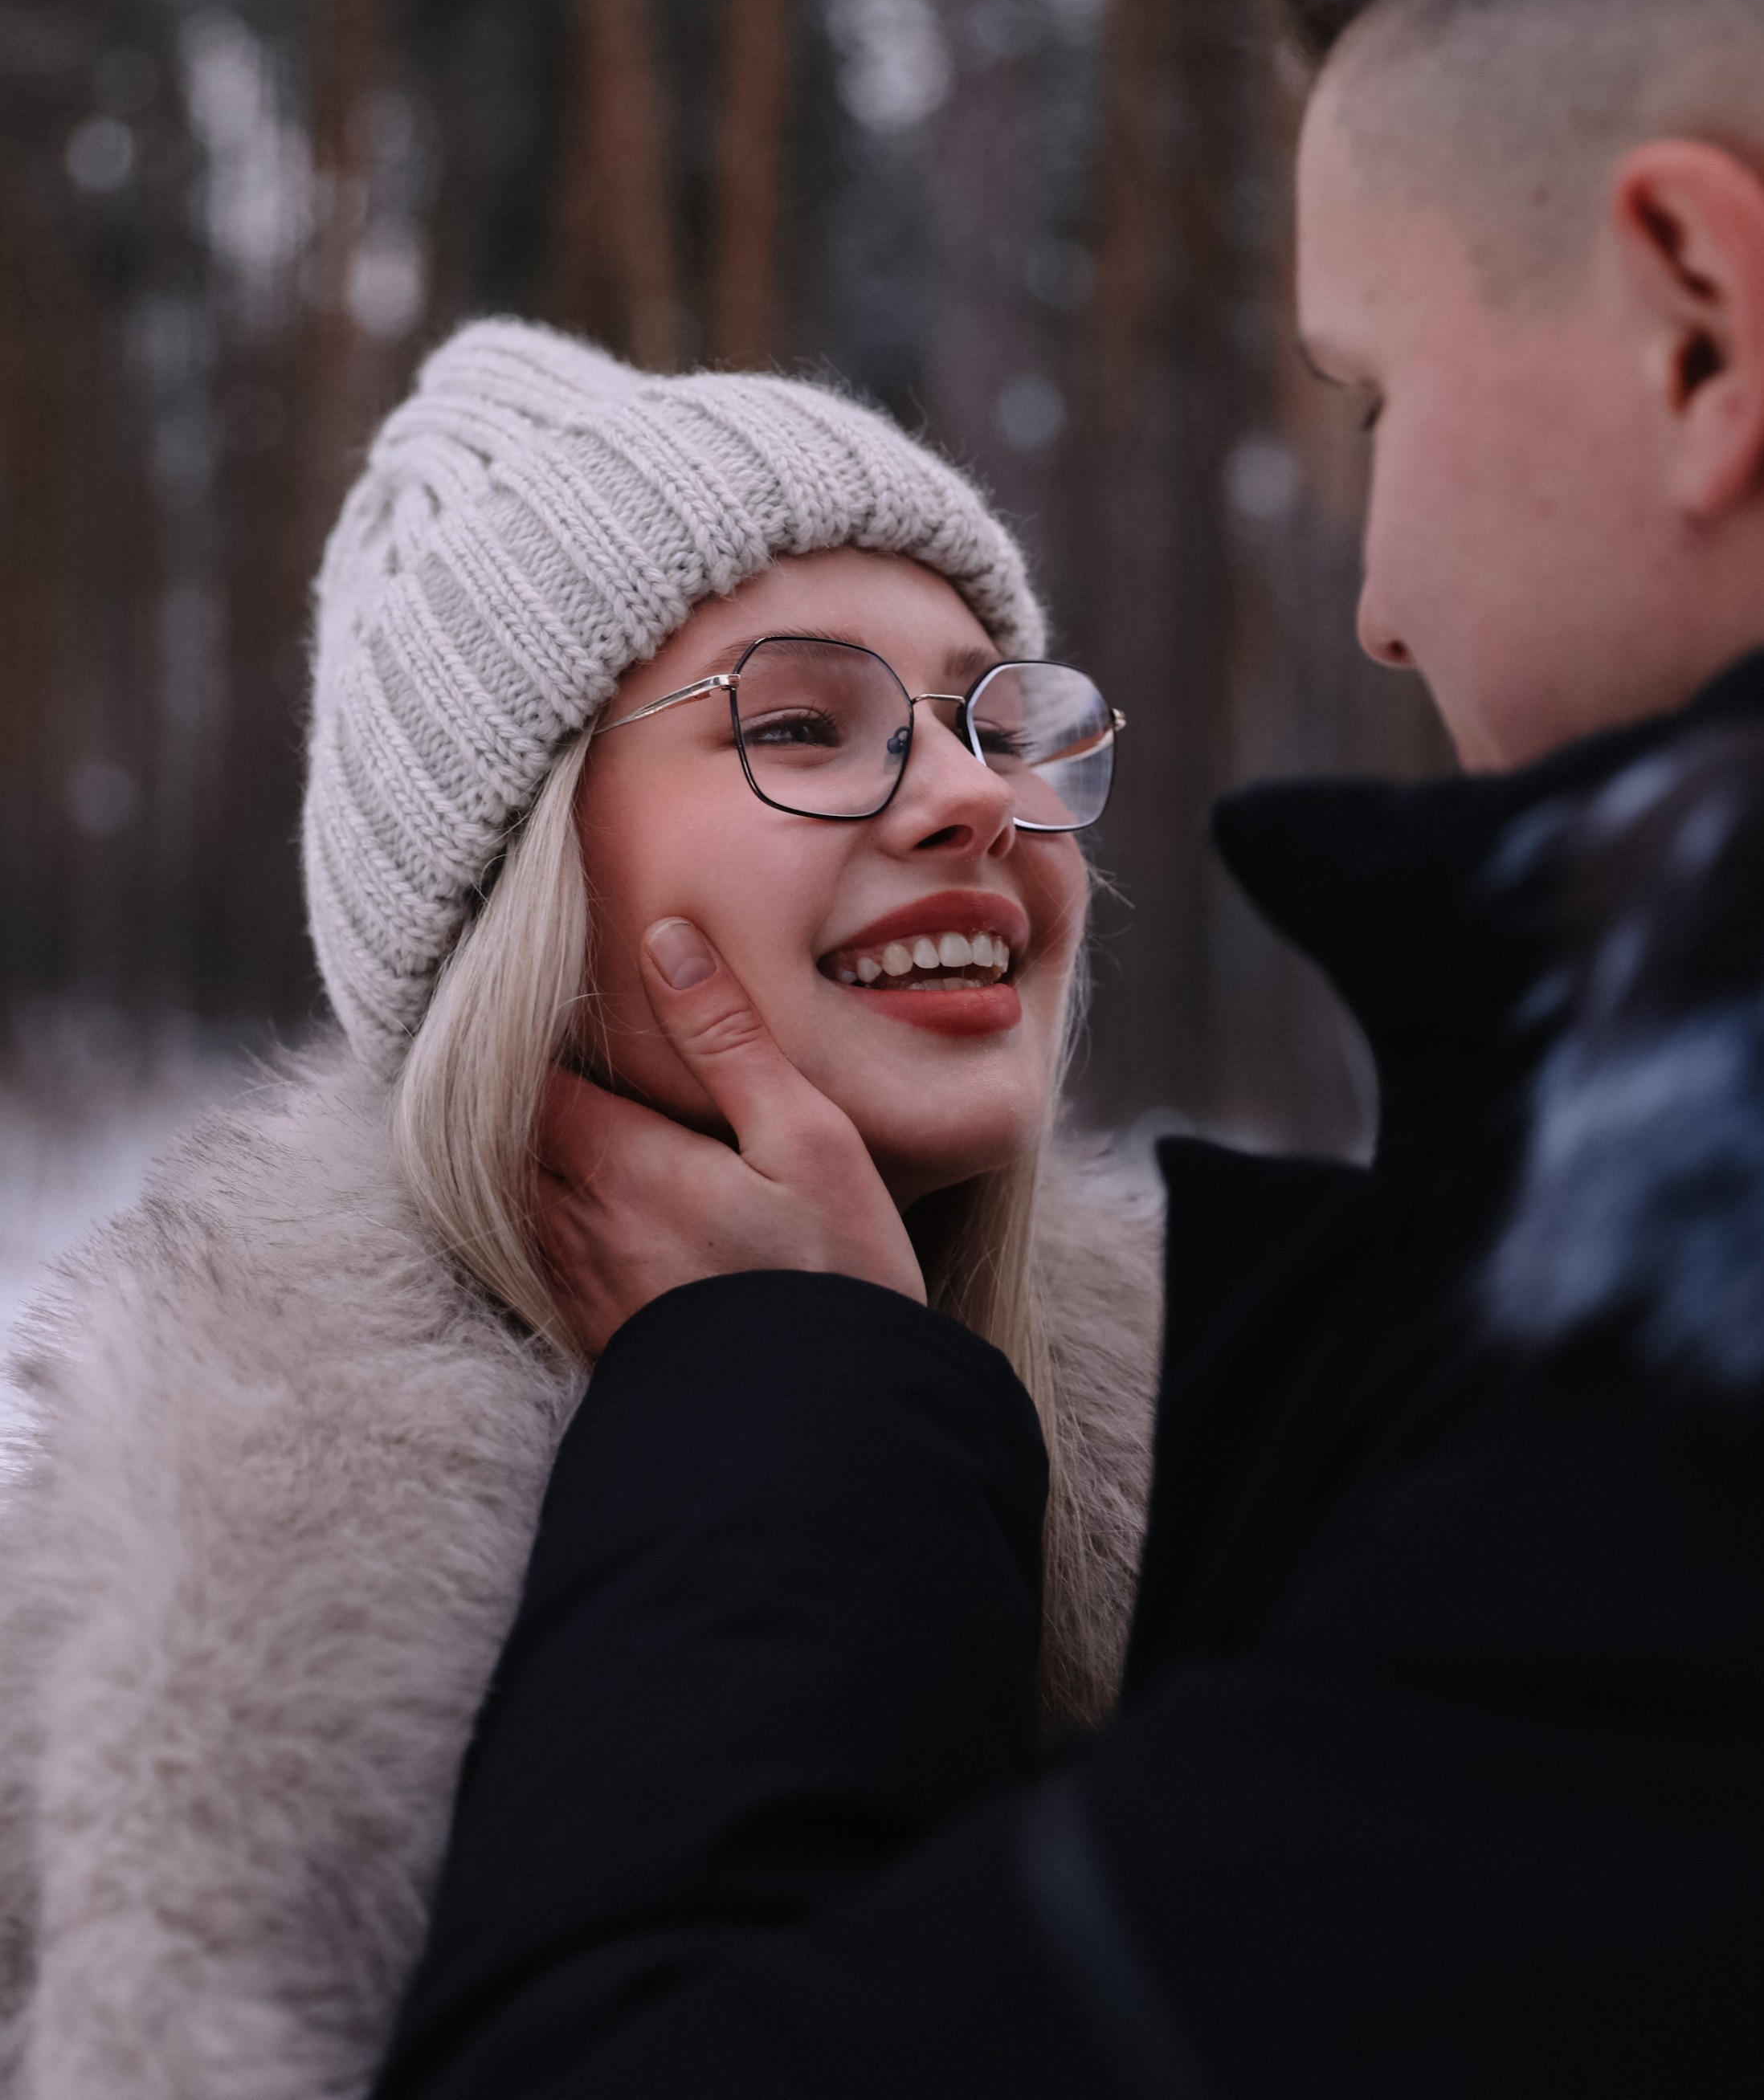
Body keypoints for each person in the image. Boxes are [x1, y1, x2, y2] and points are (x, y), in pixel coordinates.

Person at [367, 0, 1764, 2100]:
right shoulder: (197, 1560)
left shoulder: (1648, 1373)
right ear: (507, 900)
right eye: (803, 721)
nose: (1374, 597)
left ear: (1697, 322)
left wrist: (788, 1410)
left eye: (1374, 400)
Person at [0, 324, 1164, 2097]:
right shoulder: (186, 1640)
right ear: (517, 887)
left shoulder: (1263, 1452)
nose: (973, 798)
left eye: (998, 721)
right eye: (802, 723)